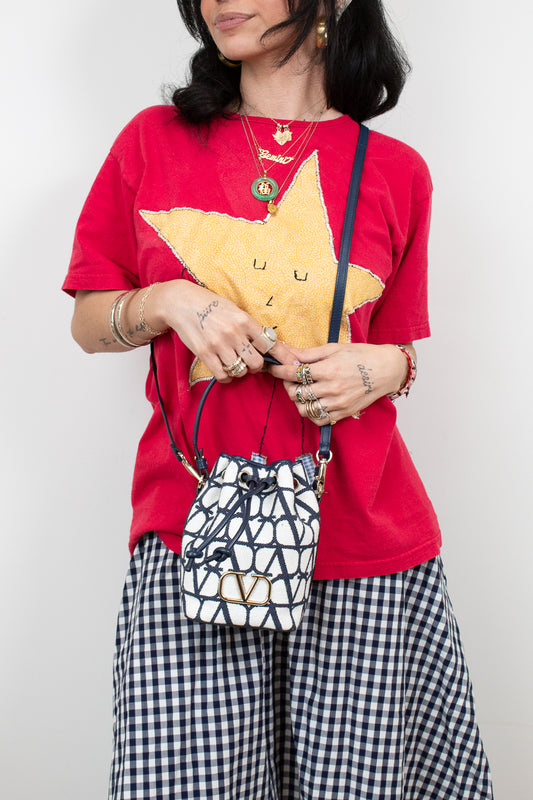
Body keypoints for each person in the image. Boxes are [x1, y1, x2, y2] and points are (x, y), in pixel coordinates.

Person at [63, 0, 493, 797]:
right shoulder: (153, 142)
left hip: (362, 537)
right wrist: (166, 300)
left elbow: (396, 348)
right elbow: (90, 322)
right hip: (197, 534)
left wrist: (385, 370)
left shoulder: (395, 170)